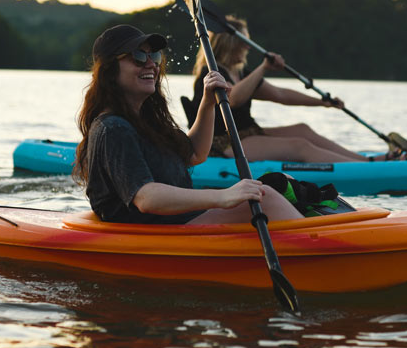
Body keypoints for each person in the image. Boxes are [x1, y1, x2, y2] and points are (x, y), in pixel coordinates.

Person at [73, 24, 302, 226]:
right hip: (154, 231)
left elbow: (194, 153)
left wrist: (207, 104)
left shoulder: (146, 121)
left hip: (178, 220)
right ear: (110, 71)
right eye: (138, 57)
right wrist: (223, 197)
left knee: (282, 183)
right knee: (267, 197)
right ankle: (324, 248)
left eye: (154, 56)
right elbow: (146, 197)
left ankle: (326, 228)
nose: (151, 64)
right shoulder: (113, 128)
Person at [191, 16, 406, 162]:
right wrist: (264, 67)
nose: (248, 46)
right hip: (224, 143)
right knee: (299, 145)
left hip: (248, 133)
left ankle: (367, 161)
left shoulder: (242, 73)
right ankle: (365, 168)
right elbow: (233, 99)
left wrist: (322, 103)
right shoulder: (211, 73)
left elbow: (281, 95)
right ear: (231, 43)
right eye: (244, 41)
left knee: (302, 129)